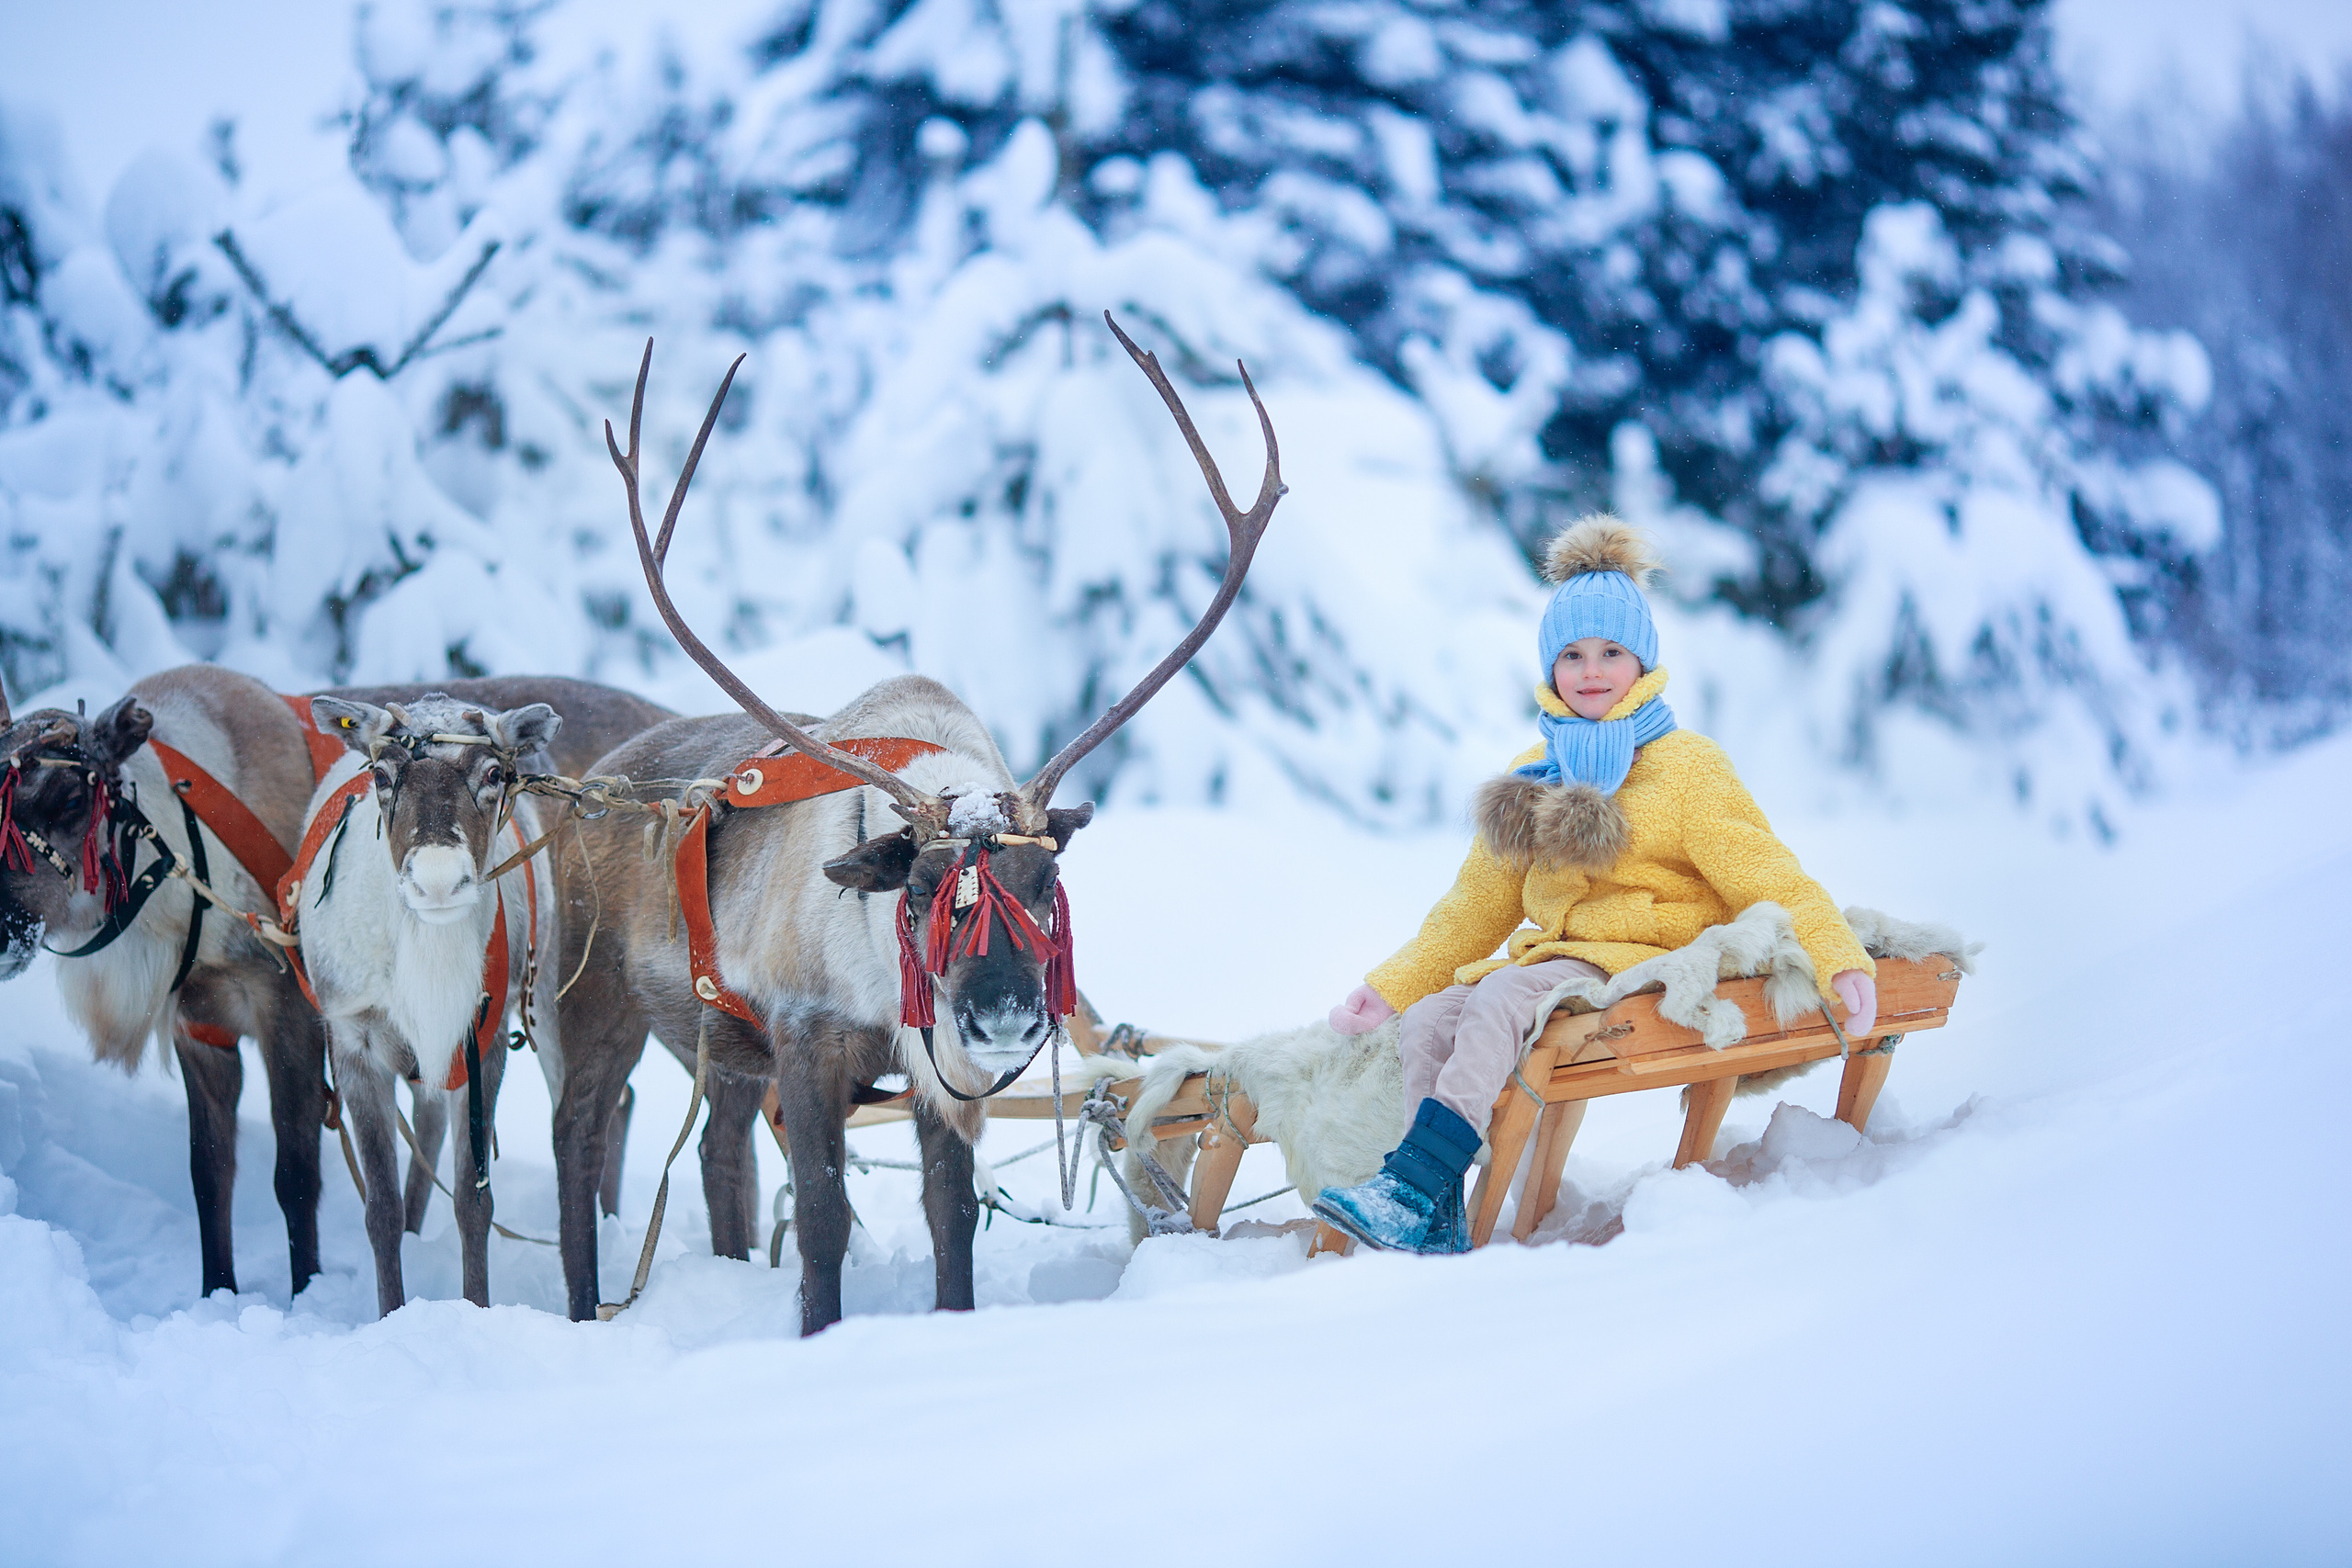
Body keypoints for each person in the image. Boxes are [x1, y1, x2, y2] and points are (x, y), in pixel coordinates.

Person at [1312, 517, 1877, 1255]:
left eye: (1611, 652)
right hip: (1553, 961)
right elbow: (1472, 909)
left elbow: (1768, 873)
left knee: (1496, 1000)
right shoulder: (1534, 772)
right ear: (1551, 669)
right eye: (1572, 655)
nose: (1591, 670)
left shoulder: (1684, 767)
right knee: (1430, 1020)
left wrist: (1838, 954)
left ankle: (1411, 1183)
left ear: (1641, 662)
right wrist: (1389, 987)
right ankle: (1437, 1206)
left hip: (1640, 955)